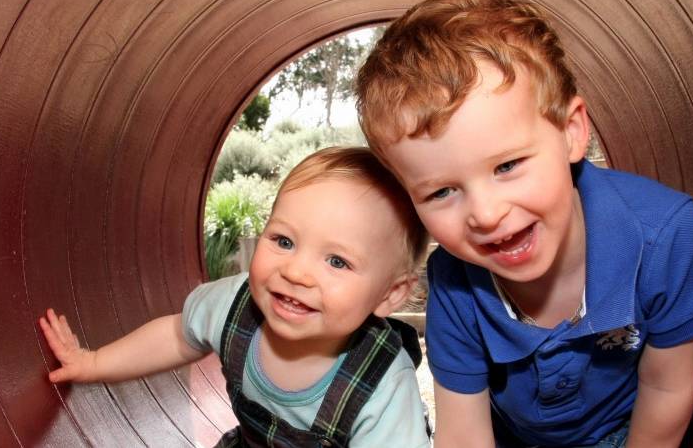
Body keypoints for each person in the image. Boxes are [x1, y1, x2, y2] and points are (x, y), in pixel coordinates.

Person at [354, 0, 693, 447]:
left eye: (507, 166)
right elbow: (464, 433)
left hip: (627, 431)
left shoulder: (664, 236)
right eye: (441, 191)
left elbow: (667, 387)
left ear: (571, 133)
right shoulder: (457, 285)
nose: (487, 213)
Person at [38, 146, 432, 448]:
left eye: (337, 261)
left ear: (390, 293)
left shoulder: (384, 386)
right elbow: (177, 336)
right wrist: (91, 362)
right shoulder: (233, 303)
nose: (295, 272)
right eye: (283, 241)